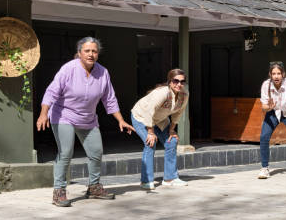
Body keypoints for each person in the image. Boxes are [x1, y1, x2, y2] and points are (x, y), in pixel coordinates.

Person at [37, 37, 135, 207]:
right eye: (87, 51)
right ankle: (59, 191)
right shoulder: (68, 69)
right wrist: (43, 114)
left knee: (96, 152)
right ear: (80, 53)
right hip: (63, 115)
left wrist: (121, 120)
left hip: (88, 118)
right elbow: (51, 92)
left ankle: (94, 187)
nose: (91, 54)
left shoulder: (103, 72)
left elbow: (109, 99)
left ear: (98, 54)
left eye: (94, 51)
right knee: (65, 152)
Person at [130, 69, 189, 189]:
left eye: (182, 82)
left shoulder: (184, 95)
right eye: (176, 81)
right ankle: (146, 181)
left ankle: (170, 178)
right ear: (170, 82)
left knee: (171, 141)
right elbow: (149, 112)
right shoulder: (162, 93)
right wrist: (150, 132)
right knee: (150, 142)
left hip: (159, 119)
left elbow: (178, 114)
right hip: (141, 116)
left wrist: (172, 130)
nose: (179, 84)